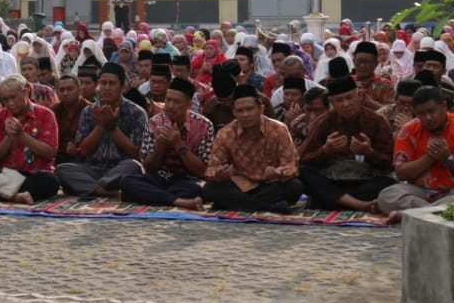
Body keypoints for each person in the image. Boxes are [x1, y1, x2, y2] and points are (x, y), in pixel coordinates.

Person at [297, 76, 395, 213]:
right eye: (339, 100)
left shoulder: (377, 121)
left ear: (359, 96)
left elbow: (390, 164)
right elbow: (305, 160)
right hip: (332, 180)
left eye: (349, 98)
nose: (346, 104)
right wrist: (325, 151)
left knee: (390, 182)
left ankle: (334, 201)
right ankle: (359, 205)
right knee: (303, 173)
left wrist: (369, 152)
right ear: (332, 102)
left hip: (365, 180)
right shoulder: (323, 122)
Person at [202, 85, 302, 213]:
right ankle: (269, 207)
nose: (245, 115)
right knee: (210, 189)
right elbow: (211, 169)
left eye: (249, 109)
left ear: (261, 109)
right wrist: (218, 174)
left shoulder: (279, 129)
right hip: (239, 185)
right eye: (240, 111)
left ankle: (235, 204)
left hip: (269, 184)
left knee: (295, 186)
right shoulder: (225, 133)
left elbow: (291, 166)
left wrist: (279, 173)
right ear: (234, 112)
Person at [120, 77, 214, 210]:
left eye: (176, 102)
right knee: (127, 181)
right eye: (168, 100)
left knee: (199, 189)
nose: (170, 106)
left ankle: (156, 197)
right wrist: (160, 146)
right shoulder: (154, 123)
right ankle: (179, 201)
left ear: (189, 105)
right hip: (159, 178)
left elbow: (202, 170)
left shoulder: (204, 126)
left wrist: (179, 145)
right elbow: (148, 167)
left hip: (187, 180)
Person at [56, 63, 148, 198]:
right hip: (93, 168)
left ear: (123, 86)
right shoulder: (89, 111)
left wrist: (111, 127)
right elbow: (84, 151)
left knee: (134, 166)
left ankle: (90, 188)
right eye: (103, 83)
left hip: (120, 169)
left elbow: (136, 153)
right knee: (62, 169)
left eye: (112, 84)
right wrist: (100, 125)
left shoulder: (136, 113)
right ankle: (107, 191)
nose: (106, 88)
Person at [376, 87, 454, 222]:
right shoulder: (409, 130)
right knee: (386, 195)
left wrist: (447, 158)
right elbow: (401, 173)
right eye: (422, 114)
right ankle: (429, 213)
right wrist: (429, 157)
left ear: (444, 106)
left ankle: (413, 215)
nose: (428, 118)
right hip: (420, 192)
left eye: (432, 111)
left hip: (451, 192)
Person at [0, 75, 60, 204]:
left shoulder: (46, 114)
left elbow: (50, 152)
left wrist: (21, 135)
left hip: (34, 175)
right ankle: (16, 196)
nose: (9, 103)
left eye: (13, 97)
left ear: (25, 92)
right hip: (7, 175)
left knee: (50, 182)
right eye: (5, 99)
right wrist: (9, 138)